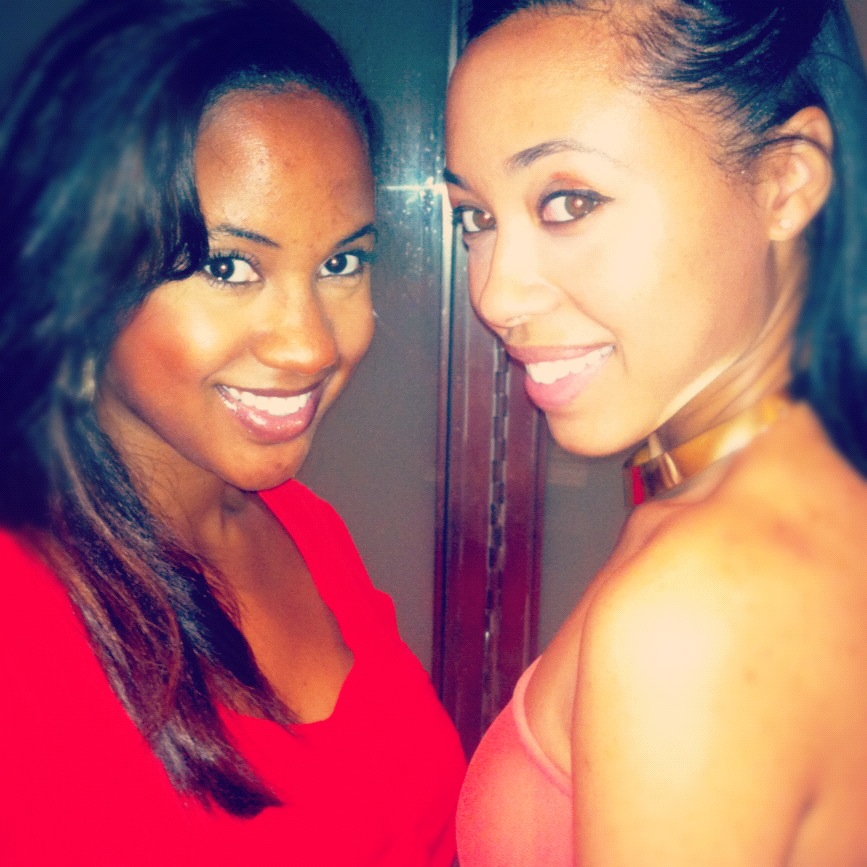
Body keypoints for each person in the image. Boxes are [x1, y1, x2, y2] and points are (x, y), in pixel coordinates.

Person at [0, 0, 465, 863]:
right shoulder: (21, 615)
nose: (310, 345)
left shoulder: (306, 528)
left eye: (341, 261)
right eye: (228, 266)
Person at [445, 0, 867, 863]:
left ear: (784, 181)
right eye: (475, 217)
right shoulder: (801, 499)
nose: (494, 294)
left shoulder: (695, 605)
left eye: (568, 200)